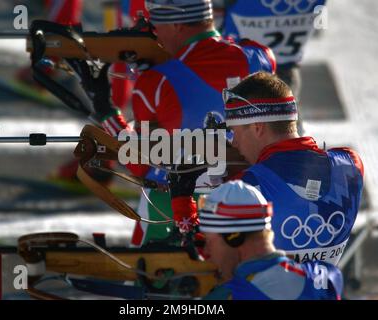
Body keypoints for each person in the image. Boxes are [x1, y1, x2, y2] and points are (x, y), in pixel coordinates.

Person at [78, 0, 276, 247]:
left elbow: (140, 164)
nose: (154, 31)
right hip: (249, 204)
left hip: (171, 208)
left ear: (176, 24)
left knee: (148, 281)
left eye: (155, 22)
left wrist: (106, 111)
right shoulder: (259, 58)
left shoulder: (155, 83)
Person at [170, 71, 364, 265]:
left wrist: (182, 203)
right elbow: (297, 170)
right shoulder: (351, 166)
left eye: (235, 132)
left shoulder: (247, 189)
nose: (235, 143)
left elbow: (209, 259)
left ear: (257, 127)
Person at [198, 180, 343, 300]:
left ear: (234, 237)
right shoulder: (324, 276)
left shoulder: (232, 295)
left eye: (209, 241)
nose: (206, 250)